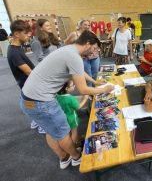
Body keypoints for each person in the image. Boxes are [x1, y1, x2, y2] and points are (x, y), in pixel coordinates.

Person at [19, 30, 115, 169]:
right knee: (63, 132)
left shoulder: (68, 50)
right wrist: (103, 90)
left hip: (27, 99)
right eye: (94, 48)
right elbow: (82, 89)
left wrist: (94, 82)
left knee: (51, 131)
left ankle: (64, 158)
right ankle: (76, 157)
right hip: (41, 102)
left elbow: (79, 71)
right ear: (87, 44)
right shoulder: (74, 56)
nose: (93, 52)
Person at [6, 20, 45, 134]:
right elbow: (29, 72)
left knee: (31, 103)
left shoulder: (16, 48)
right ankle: (42, 125)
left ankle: (35, 121)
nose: (29, 35)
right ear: (17, 34)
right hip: (28, 83)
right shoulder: (14, 52)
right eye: (26, 33)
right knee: (37, 103)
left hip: (26, 84)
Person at [65, 18, 100, 87]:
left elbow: (96, 43)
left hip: (94, 57)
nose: (87, 26)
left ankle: (95, 91)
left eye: (88, 25)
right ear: (80, 25)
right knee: (88, 76)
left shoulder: (91, 33)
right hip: (83, 59)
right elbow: (66, 44)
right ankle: (89, 93)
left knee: (95, 74)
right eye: (85, 25)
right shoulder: (74, 34)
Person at [56, 79, 89, 152]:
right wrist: (85, 99)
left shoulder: (57, 96)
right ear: (66, 88)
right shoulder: (71, 98)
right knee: (74, 132)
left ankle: (78, 138)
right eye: (73, 85)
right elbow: (78, 107)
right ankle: (76, 146)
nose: (74, 86)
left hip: (63, 117)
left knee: (71, 131)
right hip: (72, 118)